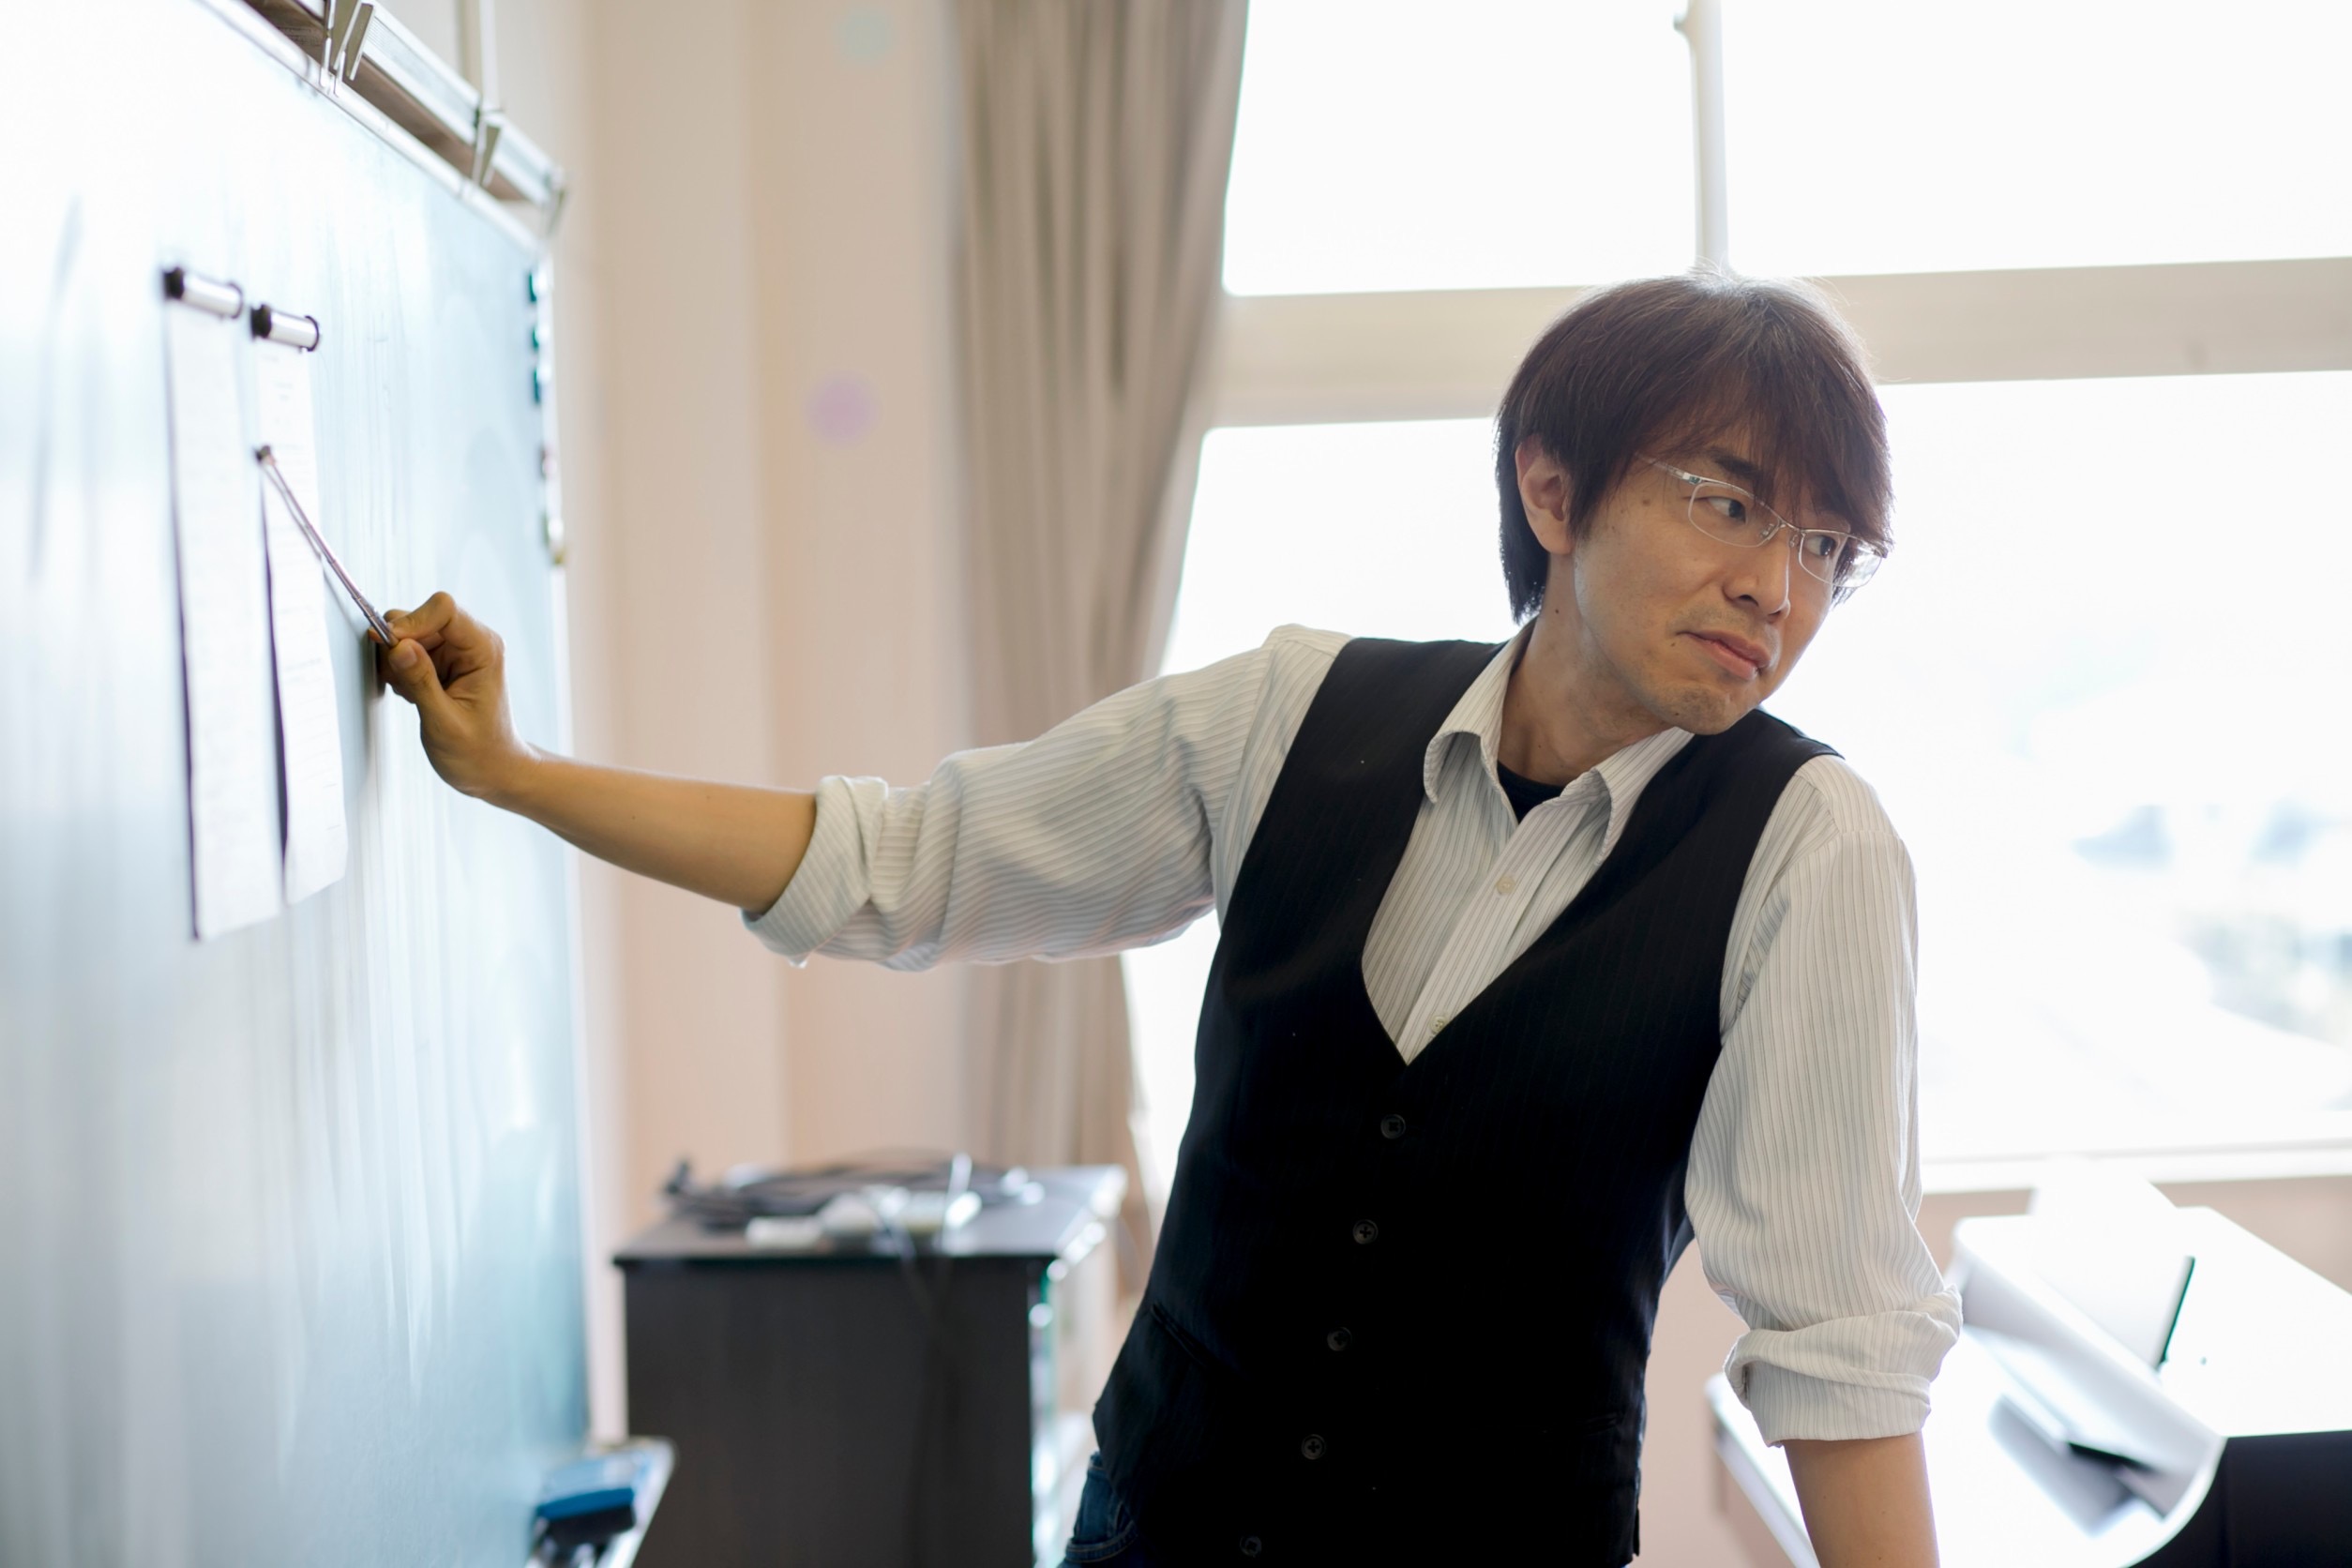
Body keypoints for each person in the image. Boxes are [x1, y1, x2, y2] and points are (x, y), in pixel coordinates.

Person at [378, 272, 1958, 1568]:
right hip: (1157, 1533)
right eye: (1728, 502)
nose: (1778, 588)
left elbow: (1843, 1351)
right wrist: (520, 776)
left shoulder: (1808, 852)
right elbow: (900, 862)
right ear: (1553, 489)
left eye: (1826, 546)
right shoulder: (1290, 718)